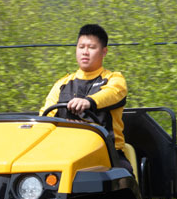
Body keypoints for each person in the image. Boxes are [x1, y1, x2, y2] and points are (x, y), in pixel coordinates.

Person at [40, 23, 131, 173]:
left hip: (107, 154)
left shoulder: (114, 79)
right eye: (81, 47)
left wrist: (88, 102)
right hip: (65, 153)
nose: (85, 52)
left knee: (122, 174)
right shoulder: (62, 83)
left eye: (91, 47)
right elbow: (45, 115)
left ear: (104, 52)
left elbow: (112, 94)